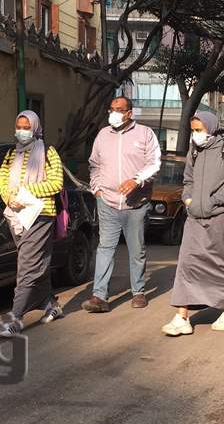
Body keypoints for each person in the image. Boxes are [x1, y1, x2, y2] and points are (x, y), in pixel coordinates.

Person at [161, 111, 224, 336]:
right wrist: (188, 200)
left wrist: (212, 201)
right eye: (193, 130)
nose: (195, 134)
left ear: (211, 128)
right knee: (187, 264)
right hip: (194, 218)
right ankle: (182, 316)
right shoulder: (194, 150)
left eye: (199, 130)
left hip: (220, 218)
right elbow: (188, 180)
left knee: (220, 264)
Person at [82, 96, 161, 312]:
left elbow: (155, 163)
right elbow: (94, 165)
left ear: (129, 113)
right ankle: (99, 296)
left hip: (136, 205)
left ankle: (138, 292)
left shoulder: (145, 134)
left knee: (137, 250)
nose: (114, 113)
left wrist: (136, 180)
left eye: (119, 109)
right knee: (105, 248)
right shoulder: (102, 135)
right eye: (111, 109)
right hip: (107, 202)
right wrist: (97, 189)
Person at [0, 110, 64, 336]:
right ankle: (51, 305)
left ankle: (15, 317)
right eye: (19, 127)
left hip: (41, 214)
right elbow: (2, 180)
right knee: (36, 263)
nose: (22, 131)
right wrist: (9, 196)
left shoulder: (48, 152)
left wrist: (25, 191)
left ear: (35, 129)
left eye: (27, 127)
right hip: (16, 215)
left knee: (27, 265)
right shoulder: (11, 153)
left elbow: (56, 183)